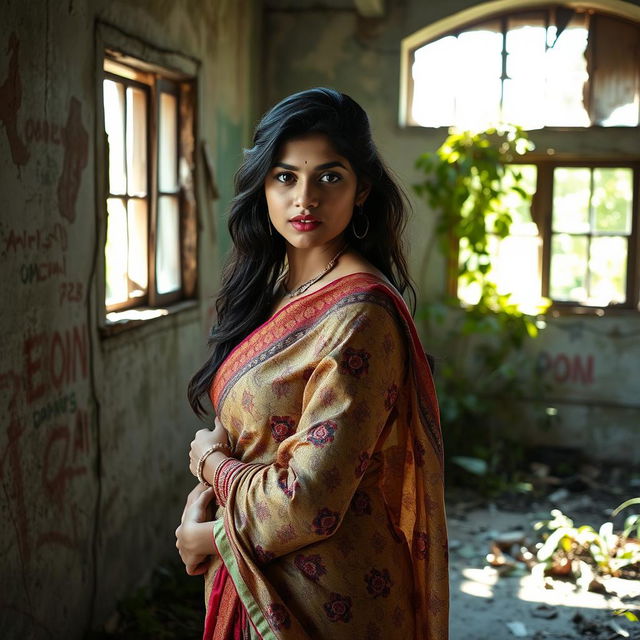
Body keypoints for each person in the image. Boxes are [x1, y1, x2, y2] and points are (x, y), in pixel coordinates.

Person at [175, 87, 448, 640]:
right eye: (285, 177)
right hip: (259, 581)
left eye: (329, 177)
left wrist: (210, 475)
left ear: (361, 189)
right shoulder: (274, 289)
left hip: (329, 603)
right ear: (264, 187)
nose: (305, 199)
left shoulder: (360, 315)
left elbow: (309, 501)